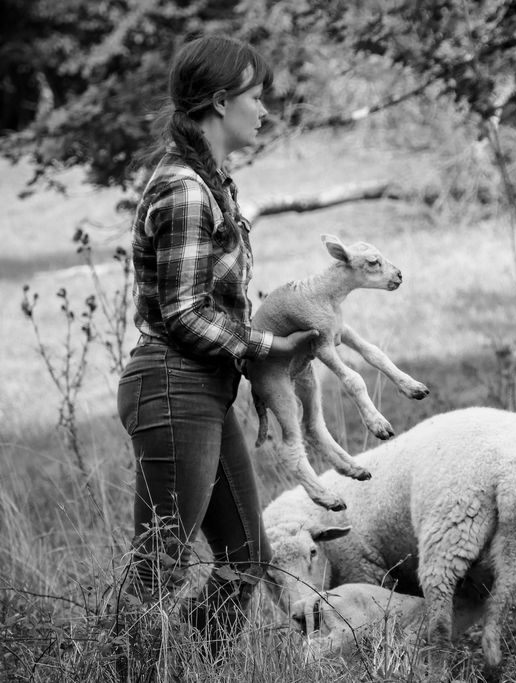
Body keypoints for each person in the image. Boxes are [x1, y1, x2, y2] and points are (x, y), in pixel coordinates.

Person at [115, 34, 317, 656]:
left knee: (245, 559)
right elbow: (182, 312)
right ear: (221, 102)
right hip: (173, 386)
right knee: (160, 564)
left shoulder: (211, 181)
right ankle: (123, 665)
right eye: (257, 98)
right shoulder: (184, 189)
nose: (265, 112)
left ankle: (185, 663)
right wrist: (264, 348)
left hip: (200, 388)